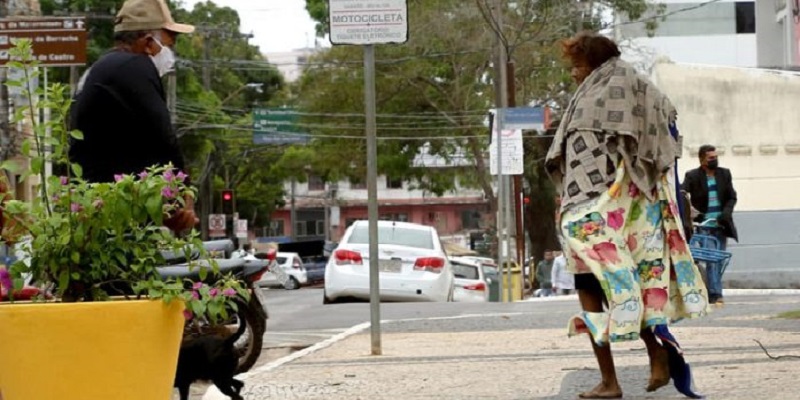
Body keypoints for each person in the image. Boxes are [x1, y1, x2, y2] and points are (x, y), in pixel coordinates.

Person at [545, 31, 709, 399]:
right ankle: (641, 362)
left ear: (593, 63)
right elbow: (664, 121)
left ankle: (619, 376)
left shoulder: (599, 97)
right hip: (609, 215)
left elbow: (590, 162)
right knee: (617, 290)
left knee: (606, 292)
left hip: (597, 215)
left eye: (577, 65)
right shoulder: (631, 88)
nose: (573, 73)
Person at [68, 0, 197, 233]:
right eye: (169, 42)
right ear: (148, 42)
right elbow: (163, 138)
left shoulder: (101, 69)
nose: (170, 52)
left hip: (94, 205)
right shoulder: (135, 66)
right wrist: (181, 196)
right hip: (120, 213)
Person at [682, 145, 738, 305]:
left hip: (721, 225)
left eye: (716, 157)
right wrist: (693, 214)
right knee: (712, 259)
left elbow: (731, 197)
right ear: (702, 160)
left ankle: (712, 290)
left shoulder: (724, 174)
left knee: (718, 260)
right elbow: (682, 194)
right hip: (704, 226)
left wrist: (726, 213)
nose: (715, 160)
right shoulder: (693, 176)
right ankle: (715, 294)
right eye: (711, 158)